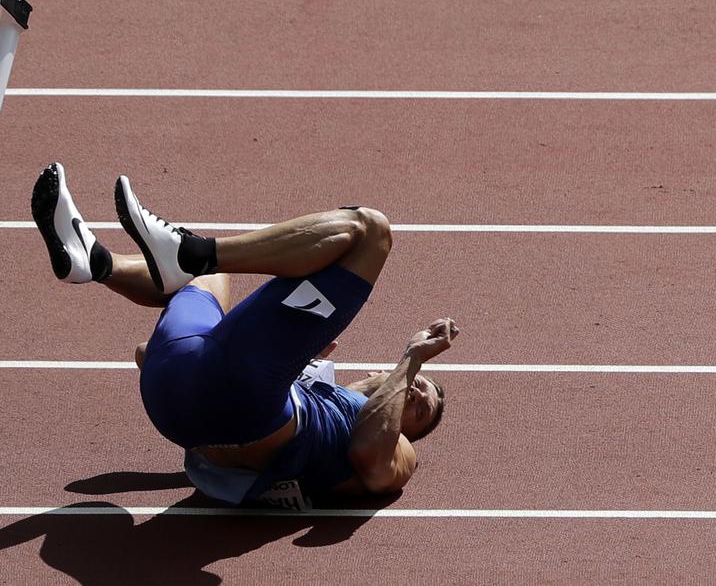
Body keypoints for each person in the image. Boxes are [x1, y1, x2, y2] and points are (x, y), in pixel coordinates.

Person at [30, 162, 455, 509]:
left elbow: (371, 458)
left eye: (419, 410)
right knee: (209, 281)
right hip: (173, 390)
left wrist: (412, 360)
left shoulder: (399, 450)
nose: (415, 394)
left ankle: (191, 251)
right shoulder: (322, 382)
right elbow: (146, 353)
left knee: (370, 232)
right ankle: (96, 263)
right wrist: (292, 358)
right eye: (419, 388)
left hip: (246, 403)